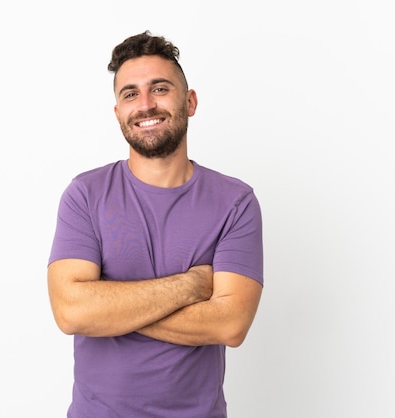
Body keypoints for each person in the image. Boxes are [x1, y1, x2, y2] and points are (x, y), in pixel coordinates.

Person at [47, 30, 264, 417]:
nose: (145, 105)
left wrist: (109, 306)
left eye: (159, 89)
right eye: (130, 94)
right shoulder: (85, 194)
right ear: (118, 113)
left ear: (190, 101)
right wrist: (192, 285)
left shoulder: (235, 201)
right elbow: (71, 313)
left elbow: (230, 324)